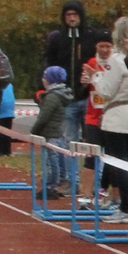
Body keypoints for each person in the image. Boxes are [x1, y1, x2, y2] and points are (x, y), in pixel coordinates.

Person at [94, 19, 128, 215]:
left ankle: (126, 206)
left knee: (119, 163)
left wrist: (96, 77)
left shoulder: (117, 60)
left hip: (117, 116)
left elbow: (106, 91)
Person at [44, 3, 96, 145]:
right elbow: (49, 64)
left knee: (92, 140)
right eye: (68, 15)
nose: (72, 18)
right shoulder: (57, 39)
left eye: (75, 14)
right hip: (66, 98)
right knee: (69, 139)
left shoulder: (91, 36)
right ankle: (69, 160)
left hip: (88, 96)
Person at [33, 65, 73, 196]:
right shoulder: (59, 95)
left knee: (51, 161)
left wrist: (33, 132)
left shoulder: (52, 97)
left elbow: (44, 117)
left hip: (51, 133)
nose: (43, 80)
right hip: (57, 132)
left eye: (45, 77)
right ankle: (55, 183)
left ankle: (51, 186)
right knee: (56, 159)